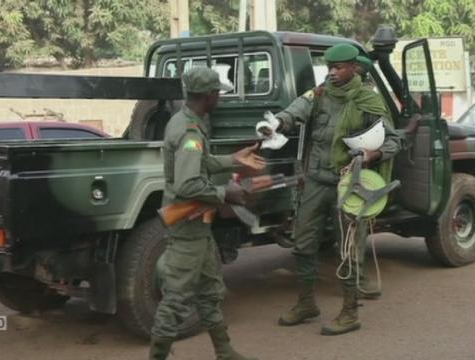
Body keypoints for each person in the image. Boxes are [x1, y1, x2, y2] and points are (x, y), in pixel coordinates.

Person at [260, 43, 401, 335]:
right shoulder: (321, 93)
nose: (332, 73)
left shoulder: (368, 101)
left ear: (354, 68)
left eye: (337, 68)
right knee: (302, 244)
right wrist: (278, 123)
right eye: (329, 68)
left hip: (348, 184)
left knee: (348, 249)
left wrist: (370, 155)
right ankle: (306, 304)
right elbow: (296, 110)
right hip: (315, 181)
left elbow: (393, 141)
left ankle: (350, 312)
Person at [149, 67, 265, 360]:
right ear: (209, 95)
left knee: (210, 292)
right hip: (188, 231)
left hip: (198, 230)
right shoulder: (189, 131)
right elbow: (188, 184)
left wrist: (234, 160)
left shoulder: (187, 121)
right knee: (175, 300)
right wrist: (227, 193)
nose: (220, 98)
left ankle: (225, 352)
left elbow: (200, 162)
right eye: (218, 93)